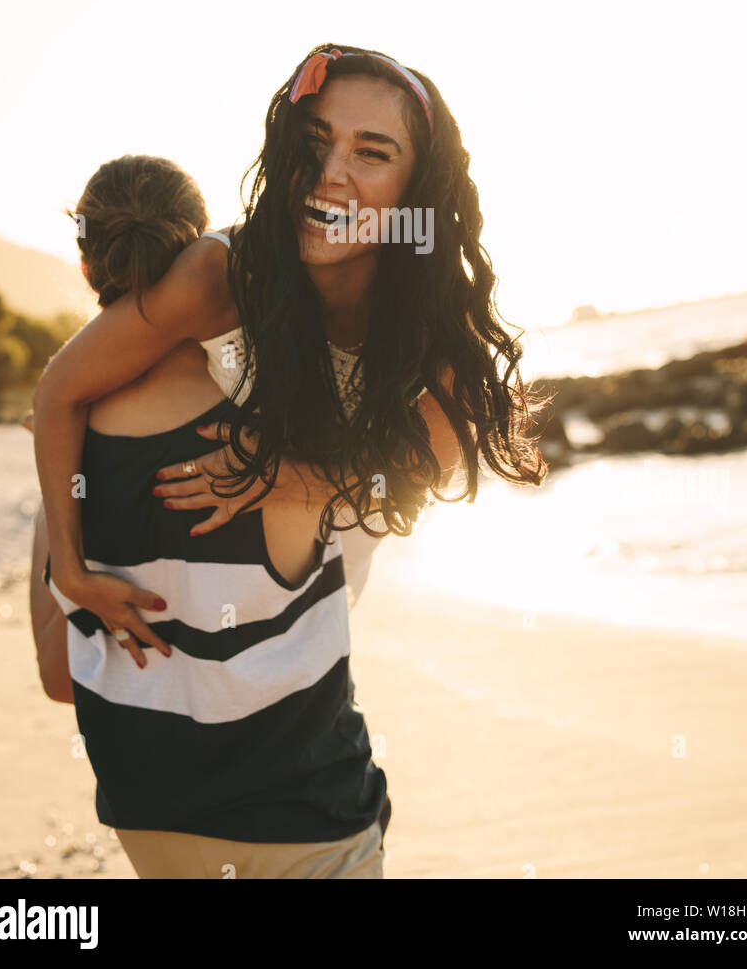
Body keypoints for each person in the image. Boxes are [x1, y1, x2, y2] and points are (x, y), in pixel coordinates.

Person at [32, 45, 549, 878]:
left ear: (418, 192)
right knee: (65, 671)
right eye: (315, 142)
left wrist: (288, 474)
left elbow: (403, 491)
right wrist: (70, 569)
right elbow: (58, 392)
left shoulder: (438, 355)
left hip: (302, 640)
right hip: (219, 686)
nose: (330, 174)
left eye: (372, 153)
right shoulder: (219, 273)